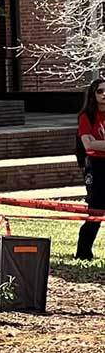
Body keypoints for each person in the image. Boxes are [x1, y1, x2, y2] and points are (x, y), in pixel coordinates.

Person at [77, 80, 105, 261]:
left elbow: (95, 143)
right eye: (100, 91)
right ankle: (83, 253)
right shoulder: (87, 116)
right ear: (93, 94)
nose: (104, 94)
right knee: (96, 210)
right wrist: (96, 145)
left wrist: (99, 144)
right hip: (96, 166)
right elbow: (88, 144)